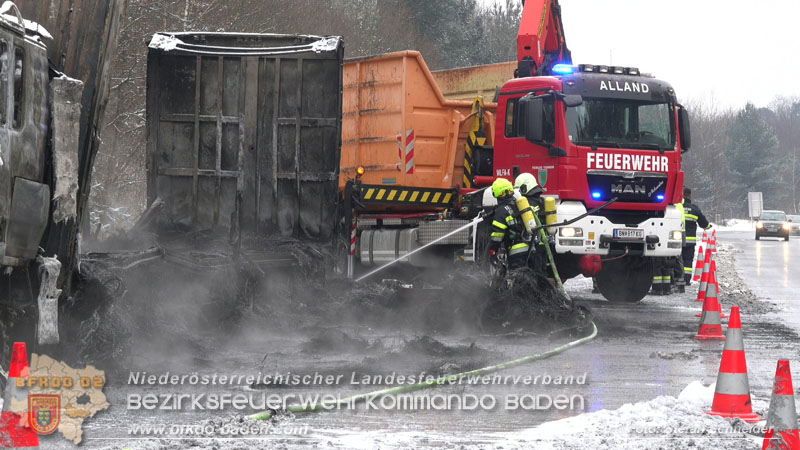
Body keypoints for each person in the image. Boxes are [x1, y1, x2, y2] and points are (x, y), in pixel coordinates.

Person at [488, 178, 530, 270]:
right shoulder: (518, 204)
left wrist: (493, 250)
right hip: (529, 246)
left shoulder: (501, 211)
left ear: (495, 194)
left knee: (517, 278)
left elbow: (498, 234)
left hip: (516, 249)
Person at [682, 187, 711, 284]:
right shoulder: (694, 209)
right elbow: (703, 224)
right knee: (688, 260)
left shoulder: (677, 207)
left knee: (677, 259)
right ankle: (686, 280)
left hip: (677, 240)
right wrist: (708, 226)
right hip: (690, 241)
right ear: (690, 196)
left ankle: (676, 279)